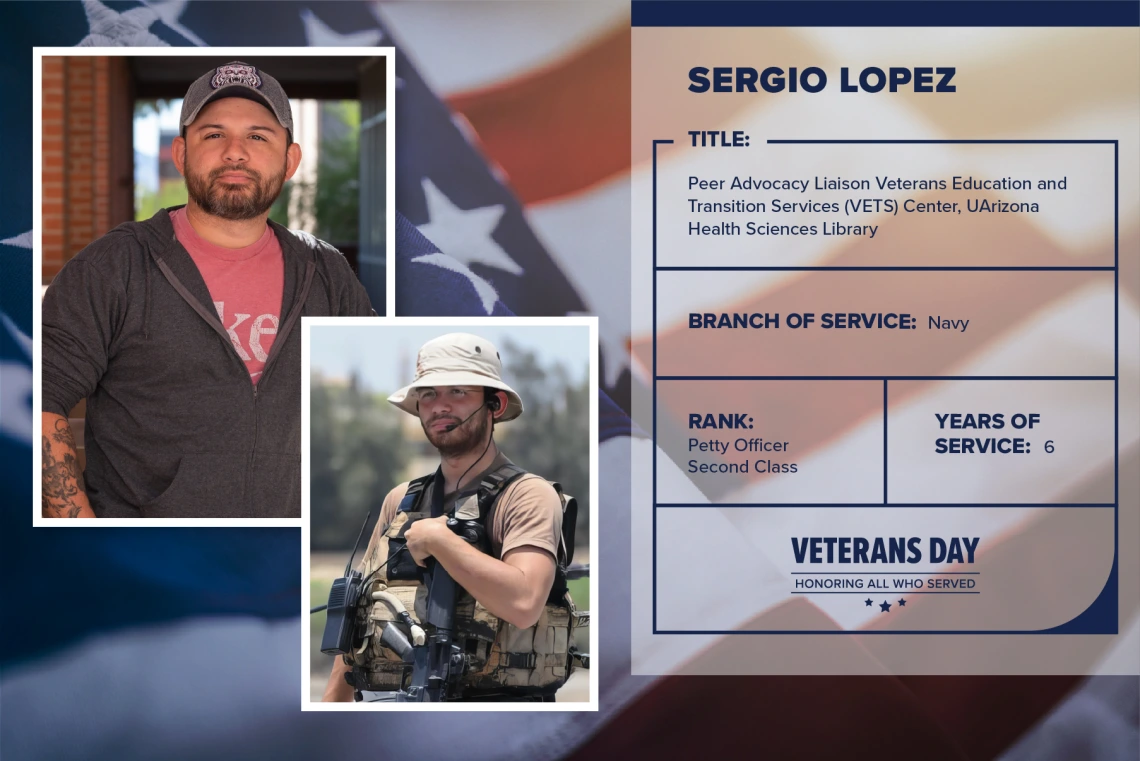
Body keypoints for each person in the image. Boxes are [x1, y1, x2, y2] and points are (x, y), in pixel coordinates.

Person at [41, 62, 374, 519]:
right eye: (213, 135)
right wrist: (85, 540)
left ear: (290, 160)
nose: (235, 153)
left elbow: (368, 395)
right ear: (181, 154)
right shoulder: (115, 266)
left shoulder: (326, 273)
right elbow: (38, 395)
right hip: (152, 568)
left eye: (258, 137)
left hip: (278, 566)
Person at [323, 332, 573, 702]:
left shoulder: (526, 495)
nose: (440, 406)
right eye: (428, 395)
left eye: (457, 392)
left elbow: (524, 604)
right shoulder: (402, 500)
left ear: (496, 405)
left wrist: (441, 543)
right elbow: (359, 616)